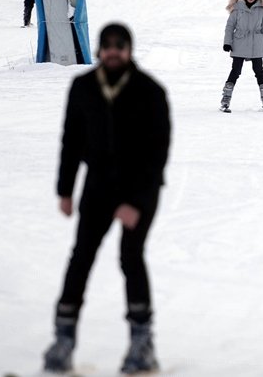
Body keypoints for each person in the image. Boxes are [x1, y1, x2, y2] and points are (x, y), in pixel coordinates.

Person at [43, 23, 172, 375]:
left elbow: (156, 153)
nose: (113, 51)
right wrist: (65, 190)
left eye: (120, 45)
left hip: (137, 190)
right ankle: (63, 339)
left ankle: (142, 344)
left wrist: (136, 201)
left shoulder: (150, 91)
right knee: (81, 257)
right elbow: (70, 141)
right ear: (99, 50)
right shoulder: (83, 87)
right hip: (98, 187)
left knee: (130, 258)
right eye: (107, 45)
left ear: (129, 50)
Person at [220, 0, 263, 113]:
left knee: (259, 71)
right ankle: (225, 99)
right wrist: (227, 42)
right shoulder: (237, 8)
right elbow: (230, 27)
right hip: (240, 43)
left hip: (256, 45)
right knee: (236, 71)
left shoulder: (261, 10)